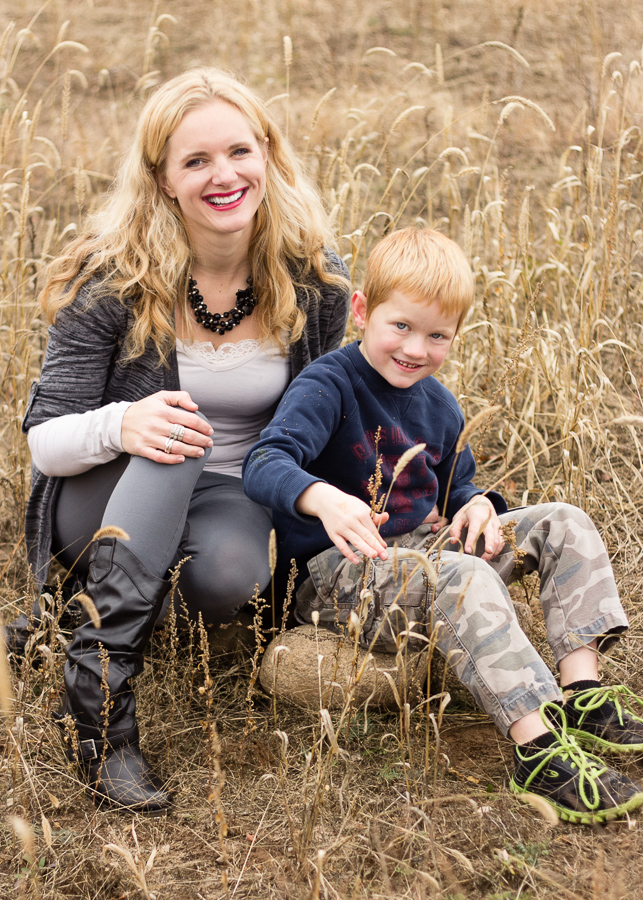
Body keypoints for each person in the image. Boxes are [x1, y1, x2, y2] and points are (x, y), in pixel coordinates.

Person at [15, 67, 350, 813]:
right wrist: (123, 423)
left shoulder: (315, 279)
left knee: (230, 576)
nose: (223, 175)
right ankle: (101, 705)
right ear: (163, 180)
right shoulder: (110, 279)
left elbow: (329, 412)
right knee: (176, 430)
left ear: (267, 154)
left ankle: (94, 611)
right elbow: (45, 442)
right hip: (103, 491)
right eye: (195, 161)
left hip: (228, 497)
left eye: (239, 151)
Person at [243, 227, 643, 825]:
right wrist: (322, 498)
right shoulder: (329, 384)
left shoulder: (440, 403)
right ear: (362, 311)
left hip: (424, 548)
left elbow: (456, 485)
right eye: (400, 326)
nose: (415, 348)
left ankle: (582, 694)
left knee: (564, 521)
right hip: (341, 569)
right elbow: (265, 461)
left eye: (436, 336)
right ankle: (535, 747)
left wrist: (479, 504)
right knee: (457, 573)